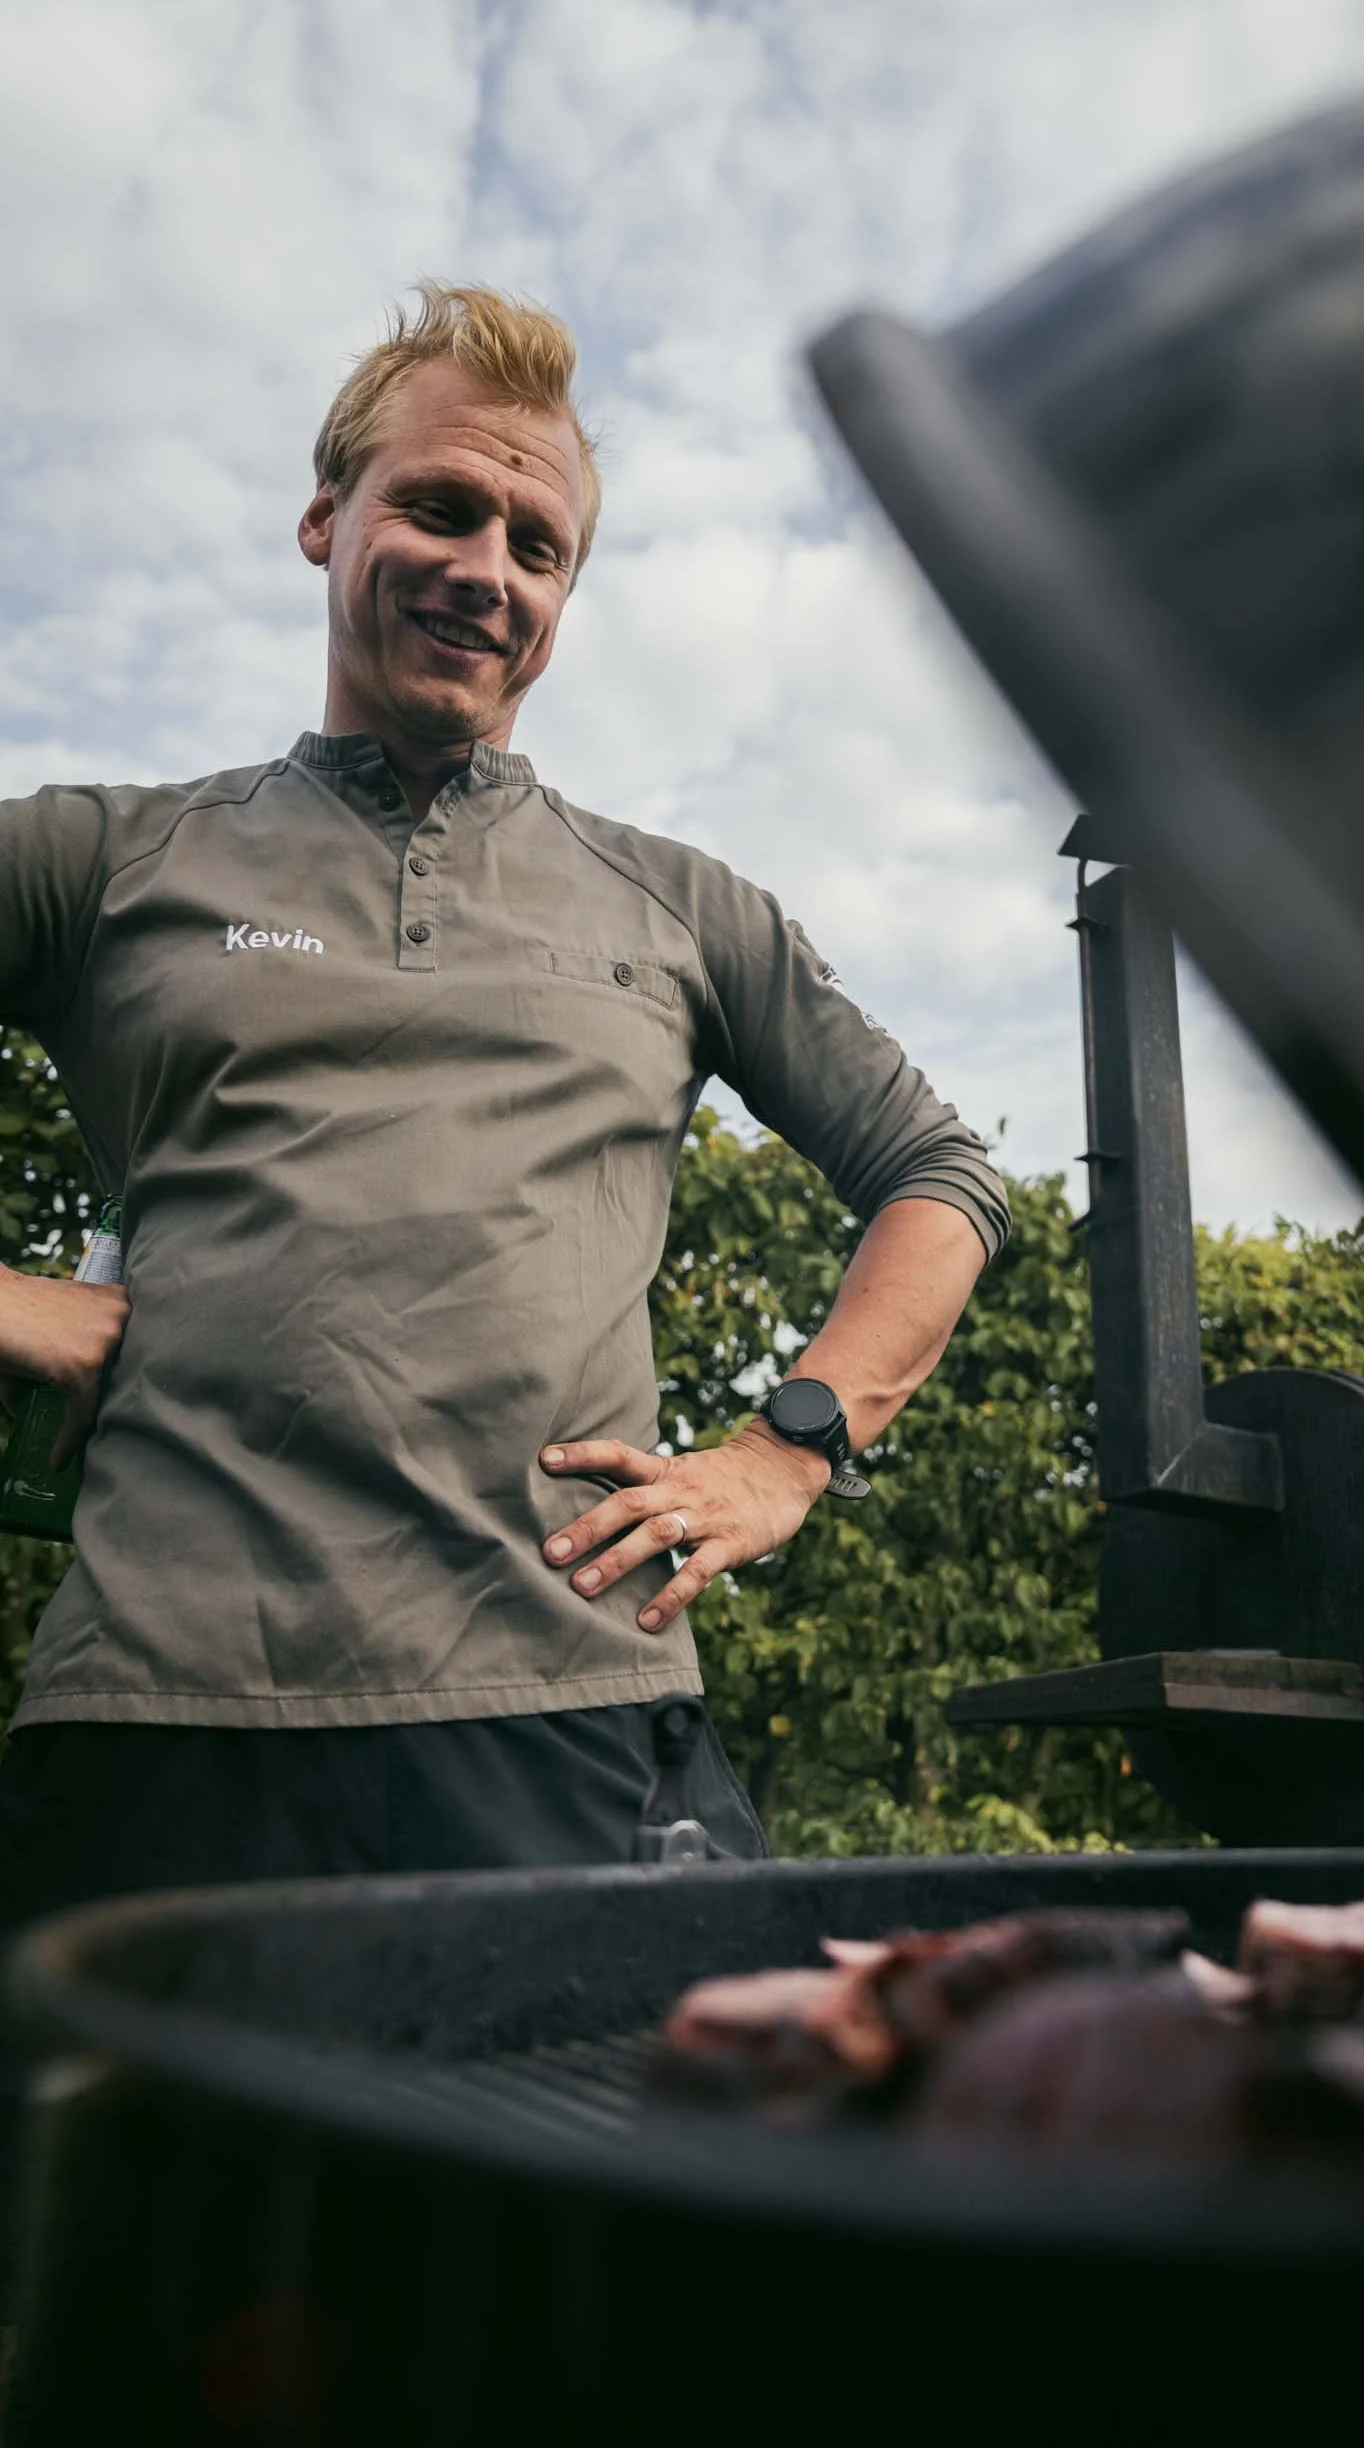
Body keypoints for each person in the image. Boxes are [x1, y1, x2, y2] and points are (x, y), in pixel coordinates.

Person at [0, 284, 1009, 1916]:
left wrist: (788, 1449)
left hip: (573, 1725)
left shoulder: (674, 903)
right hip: (159, 1726)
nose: (488, 568)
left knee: (596, 2174)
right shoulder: (111, 859)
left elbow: (938, 1172)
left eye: (538, 547)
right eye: (440, 507)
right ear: (328, 519)